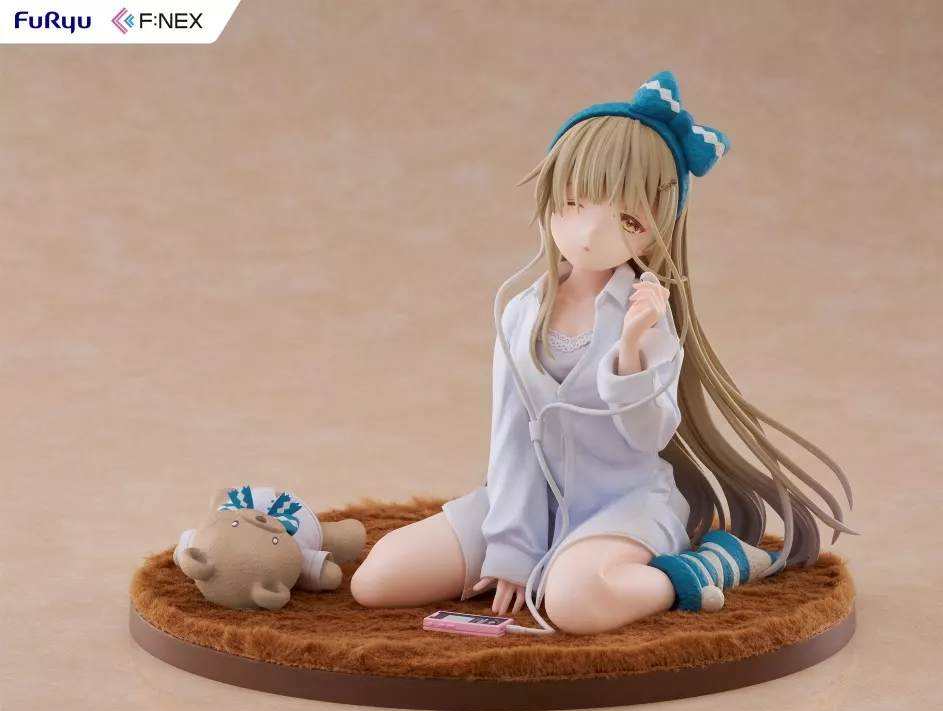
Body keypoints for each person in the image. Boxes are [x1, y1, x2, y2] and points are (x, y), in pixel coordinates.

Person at [350, 71, 856, 635]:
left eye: (627, 219)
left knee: (575, 603)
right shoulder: (522, 310)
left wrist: (632, 347)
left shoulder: (647, 312)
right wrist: (513, 548)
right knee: (377, 580)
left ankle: (702, 568)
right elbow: (511, 436)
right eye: (572, 203)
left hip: (623, 504)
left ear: (656, 231)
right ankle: (546, 561)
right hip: (529, 503)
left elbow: (647, 434)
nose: (589, 233)